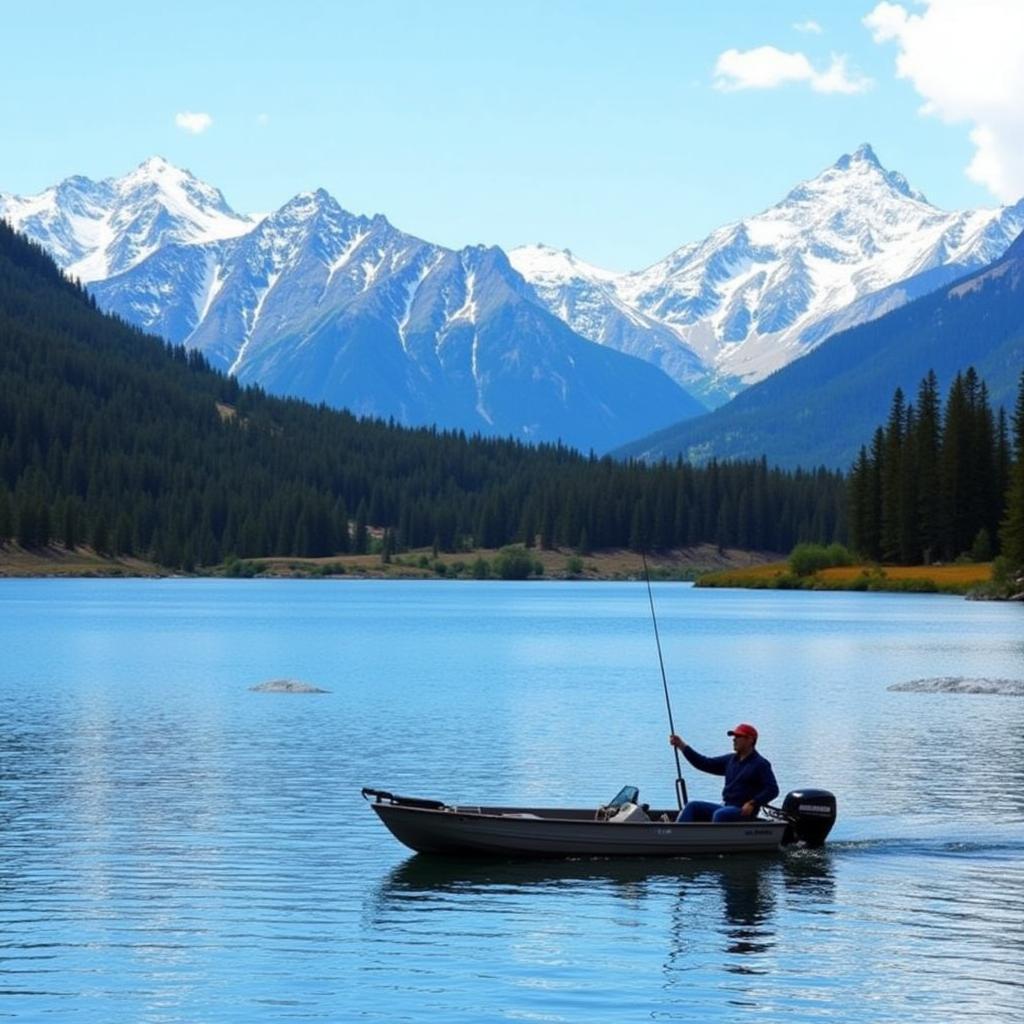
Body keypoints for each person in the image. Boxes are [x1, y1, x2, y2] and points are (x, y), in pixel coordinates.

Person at [669, 723, 779, 823]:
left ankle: (714, 842)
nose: (734, 740)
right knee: (691, 806)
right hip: (726, 806)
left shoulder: (760, 764)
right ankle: (678, 836)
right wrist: (681, 746)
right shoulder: (730, 760)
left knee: (720, 814)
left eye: (738, 737)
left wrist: (753, 803)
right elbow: (704, 763)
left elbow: (773, 790)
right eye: (734, 737)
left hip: (742, 810)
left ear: (750, 740)